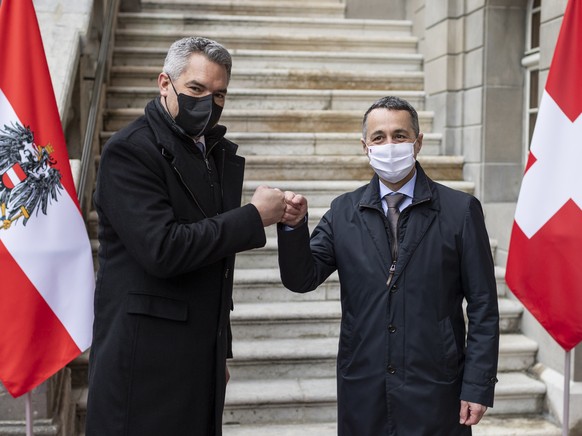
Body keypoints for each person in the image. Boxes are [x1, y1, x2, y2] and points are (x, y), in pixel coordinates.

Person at [85, 37, 286, 436]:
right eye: (195, 90)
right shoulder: (130, 151)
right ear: (165, 83)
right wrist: (252, 217)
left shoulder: (212, 152)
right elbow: (163, 249)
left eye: (219, 95)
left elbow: (216, 267)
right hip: (144, 363)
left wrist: (218, 352)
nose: (207, 104)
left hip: (197, 358)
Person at [278, 96, 500, 435]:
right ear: (365, 146)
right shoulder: (343, 212)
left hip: (436, 385)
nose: (390, 145)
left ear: (418, 142)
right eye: (379, 137)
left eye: (400, 135)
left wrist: (478, 385)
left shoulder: (461, 211)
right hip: (364, 386)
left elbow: (484, 305)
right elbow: (302, 278)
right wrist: (294, 229)